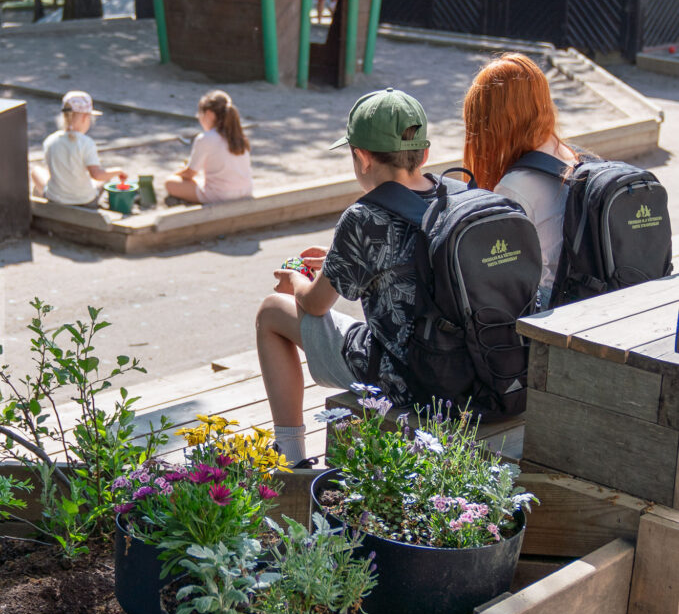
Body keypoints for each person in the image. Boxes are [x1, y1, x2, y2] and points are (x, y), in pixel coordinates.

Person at [256, 87, 455, 465]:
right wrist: (337, 259)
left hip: (401, 374)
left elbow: (315, 304)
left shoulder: (364, 217)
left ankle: (291, 456)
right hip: (460, 364)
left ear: (362, 158)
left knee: (270, 312)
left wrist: (294, 282)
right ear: (424, 153)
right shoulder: (453, 195)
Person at [463, 53, 579, 309]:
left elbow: (497, 278)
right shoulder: (568, 155)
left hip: (551, 307)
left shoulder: (515, 186)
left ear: (492, 124)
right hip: (582, 293)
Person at [31, 90, 124, 208]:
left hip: (55, 198)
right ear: (85, 117)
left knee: (36, 170)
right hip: (85, 200)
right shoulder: (86, 143)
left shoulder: (50, 141)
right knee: (103, 178)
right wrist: (118, 171)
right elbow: (97, 175)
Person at [165, 90, 253, 205]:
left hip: (221, 195)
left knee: (170, 183)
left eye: (200, 114)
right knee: (200, 181)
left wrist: (176, 173)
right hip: (246, 191)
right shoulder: (238, 135)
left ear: (209, 114)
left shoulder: (205, 138)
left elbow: (190, 173)